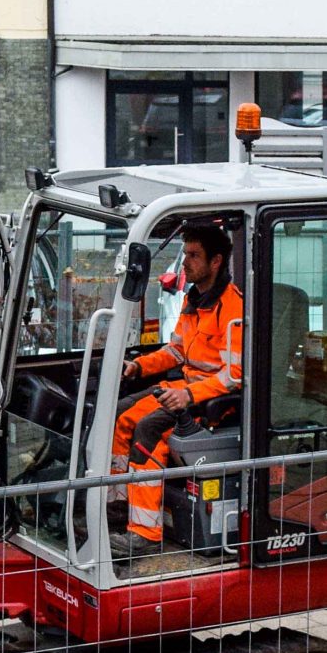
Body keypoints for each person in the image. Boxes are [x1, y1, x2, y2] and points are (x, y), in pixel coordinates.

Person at [112, 221, 243, 556]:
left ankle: (144, 533)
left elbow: (234, 376)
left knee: (148, 429)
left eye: (194, 255)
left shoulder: (233, 308)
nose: (185, 262)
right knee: (122, 414)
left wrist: (189, 395)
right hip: (183, 388)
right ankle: (117, 506)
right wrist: (138, 366)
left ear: (215, 262)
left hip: (210, 400)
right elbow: (175, 352)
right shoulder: (193, 300)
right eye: (185, 254)